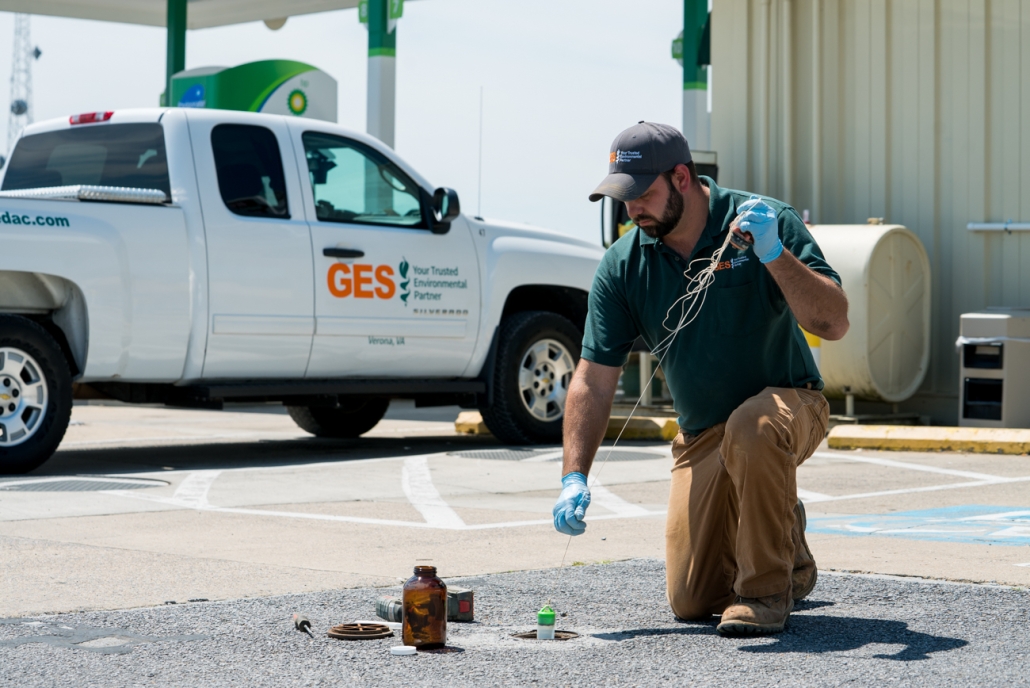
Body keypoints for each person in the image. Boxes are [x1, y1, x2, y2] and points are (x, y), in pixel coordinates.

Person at [552, 122, 849, 636]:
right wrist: (573, 476)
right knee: (692, 598)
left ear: (682, 178)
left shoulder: (764, 221)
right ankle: (788, 542)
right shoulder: (623, 265)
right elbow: (593, 380)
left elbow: (834, 323)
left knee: (752, 428)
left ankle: (765, 594)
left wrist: (774, 254)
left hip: (790, 407)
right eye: (624, 199)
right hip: (703, 434)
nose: (633, 210)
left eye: (643, 194)